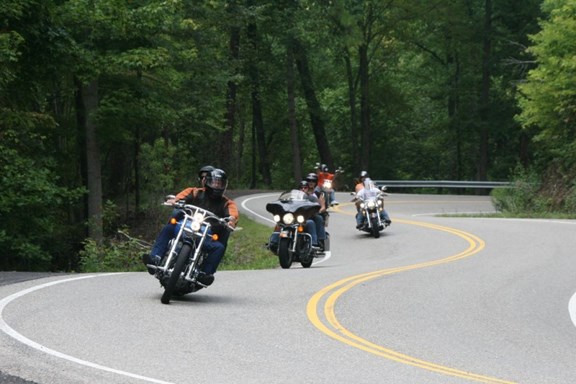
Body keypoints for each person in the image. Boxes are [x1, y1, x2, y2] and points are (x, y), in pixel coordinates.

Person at [143, 168, 239, 286]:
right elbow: (179, 197)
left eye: (220, 183)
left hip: (207, 235)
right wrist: (174, 201)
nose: (216, 185)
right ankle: (155, 258)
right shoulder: (194, 192)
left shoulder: (227, 203)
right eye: (214, 182)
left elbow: (233, 214)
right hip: (185, 227)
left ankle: (204, 273)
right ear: (207, 182)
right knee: (169, 228)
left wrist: (231, 220)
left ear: (224, 185)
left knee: (218, 247)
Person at [305, 173, 328, 248]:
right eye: (309, 180)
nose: (311, 182)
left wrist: (317, 212)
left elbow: (323, 207)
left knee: (319, 218)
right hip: (302, 214)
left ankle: (320, 240)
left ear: (316, 182)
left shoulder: (318, 194)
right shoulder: (302, 191)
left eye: (313, 181)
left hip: (314, 214)